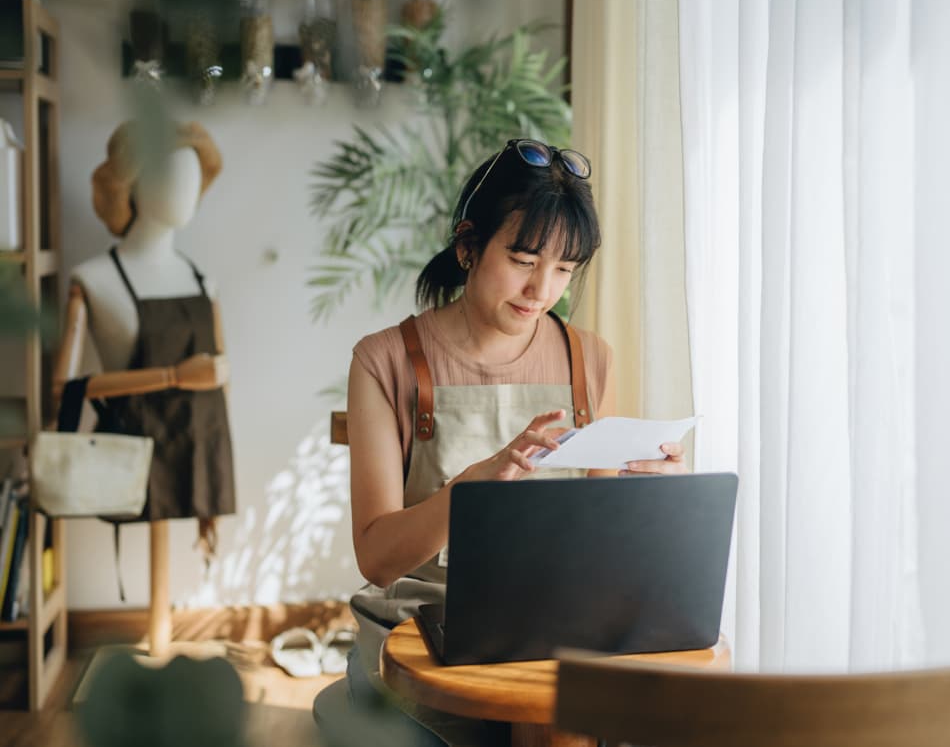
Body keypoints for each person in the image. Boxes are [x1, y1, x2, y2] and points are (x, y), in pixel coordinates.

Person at [313, 139, 686, 746]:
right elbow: (377, 559)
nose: (543, 289)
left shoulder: (587, 357)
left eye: (564, 269)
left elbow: (595, 543)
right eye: (523, 259)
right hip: (422, 631)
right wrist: (472, 488)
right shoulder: (384, 360)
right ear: (467, 246)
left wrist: (648, 499)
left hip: (551, 624)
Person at [53, 119, 235, 655]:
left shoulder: (204, 280)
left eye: (191, 173)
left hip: (195, 443)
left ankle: (164, 647)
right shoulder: (94, 279)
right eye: (164, 171)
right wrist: (175, 376)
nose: (182, 186)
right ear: (127, 183)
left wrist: (214, 488)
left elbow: (222, 375)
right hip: (131, 452)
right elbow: (64, 388)